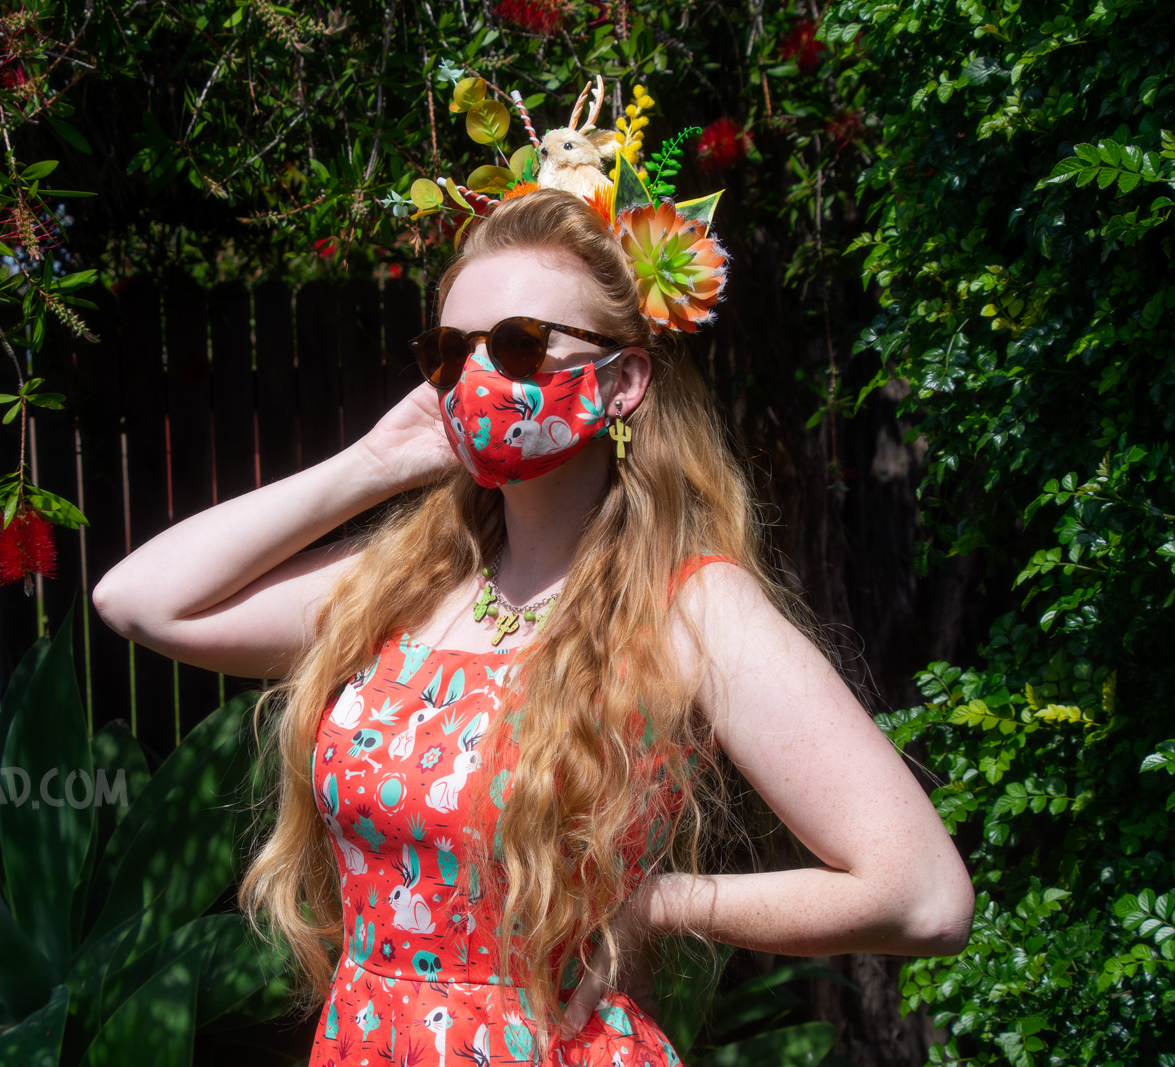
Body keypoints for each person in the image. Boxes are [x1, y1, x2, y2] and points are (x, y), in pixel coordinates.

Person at [92, 188, 974, 1067]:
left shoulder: (687, 606)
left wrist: (656, 904)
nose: (477, 377)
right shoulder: (403, 589)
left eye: (519, 345)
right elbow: (140, 599)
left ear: (622, 383)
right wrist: (374, 463)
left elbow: (922, 893)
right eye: (449, 354)